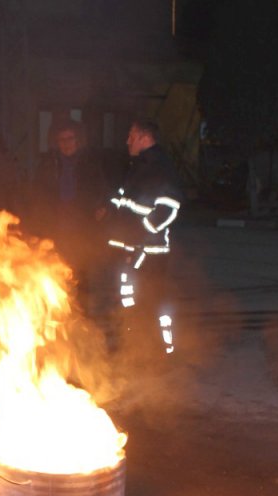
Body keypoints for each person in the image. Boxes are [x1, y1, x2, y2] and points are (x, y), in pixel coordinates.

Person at [99, 118, 183, 355]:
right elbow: (127, 200)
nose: (127, 141)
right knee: (128, 300)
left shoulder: (159, 167)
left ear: (145, 138)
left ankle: (161, 353)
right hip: (130, 248)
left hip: (148, 251)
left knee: (152, 301)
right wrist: (109, 210)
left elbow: (169, 206)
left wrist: (143, 231)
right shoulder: (138, 166)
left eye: (131, 136)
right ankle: (134, 349)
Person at [29, 117, 107, 271]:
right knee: (55, 264)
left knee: (81, 264)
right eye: (61, 139)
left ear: (77, 140)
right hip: (56, 221)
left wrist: (100, 207)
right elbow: (38, 192)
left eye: (70, 139)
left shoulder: (90, 162)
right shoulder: (48, 163)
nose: (66, 143)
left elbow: (100, 189)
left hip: (82, 221)